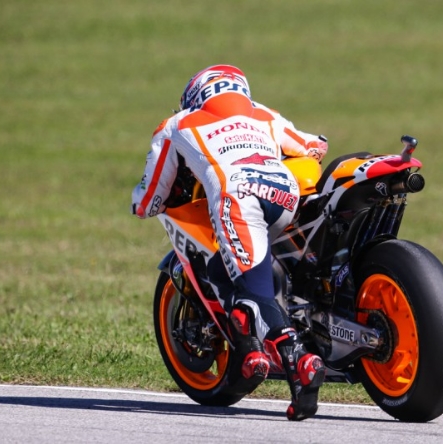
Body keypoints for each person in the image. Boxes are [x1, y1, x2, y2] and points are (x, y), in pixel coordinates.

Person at [131, 65, 329, 420]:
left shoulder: (178, 124)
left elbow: (150, 198)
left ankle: (301, 359)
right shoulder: (263, 115)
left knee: (255, 293)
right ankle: (250, 352)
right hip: (283, 193)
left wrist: (141, 204)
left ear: (194, 96)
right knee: (220, 271)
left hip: (237, 196)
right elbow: (314, 146)